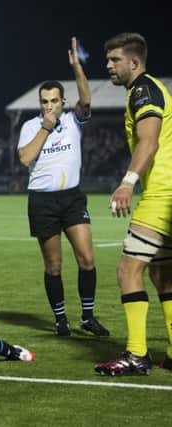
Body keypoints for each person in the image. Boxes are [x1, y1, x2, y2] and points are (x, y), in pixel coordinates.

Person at [17, 38, 109, 337]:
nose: (49, 105)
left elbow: (86, 99)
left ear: (62, 101)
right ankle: (60, 320)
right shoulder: (32, 127)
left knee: (87, 258)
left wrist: (77, 67)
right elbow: (25, 158)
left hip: (72, 198)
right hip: (42, 202)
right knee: (54, 266)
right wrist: (45, 126)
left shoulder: (73, 121)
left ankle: (87, 317)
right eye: (44, 101)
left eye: (54, 101)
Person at [95, 33, 172, 376]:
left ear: (134, 62)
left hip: (161, 196)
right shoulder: (149, 89)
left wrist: (127, 183)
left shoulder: (144, 90)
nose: (109, 65)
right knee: (164, 274)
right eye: (108, 60)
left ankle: (137, 354)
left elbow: (149, 141)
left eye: (114, 60)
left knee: (129, 270)